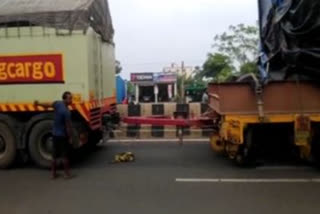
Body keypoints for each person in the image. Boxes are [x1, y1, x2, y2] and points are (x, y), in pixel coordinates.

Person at [35, 91, 74, 179]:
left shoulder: (57, 104)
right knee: (64, 156)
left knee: (54, 155)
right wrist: (70, 137)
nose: (71, 100)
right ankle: (67, 174)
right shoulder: (66, 112)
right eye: (70, 98)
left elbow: (47, 105)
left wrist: (38, 103)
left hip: (55, 134)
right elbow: (68, 126)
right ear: (65, 99)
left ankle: (53, 174)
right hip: (62, 136)